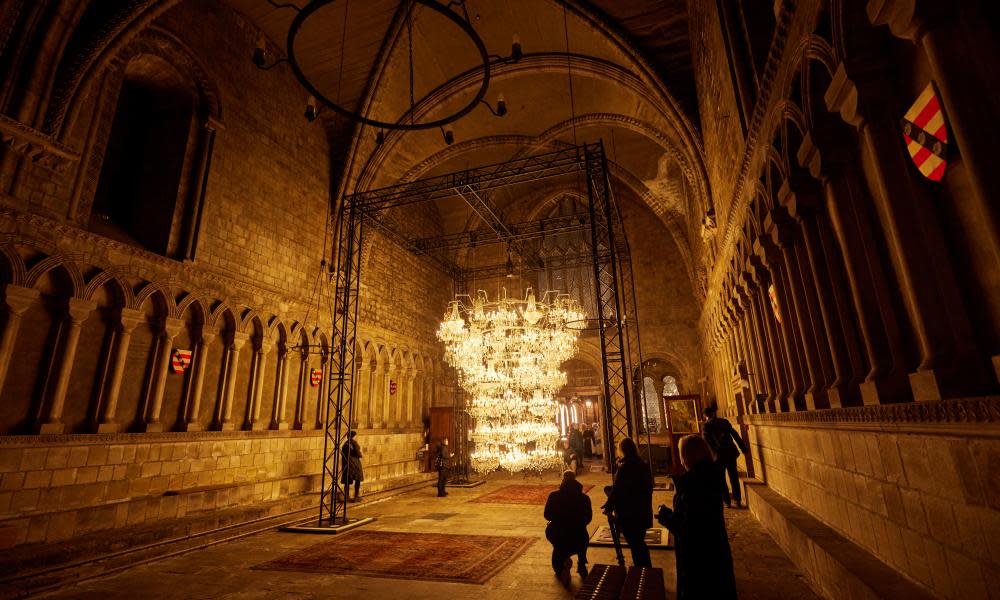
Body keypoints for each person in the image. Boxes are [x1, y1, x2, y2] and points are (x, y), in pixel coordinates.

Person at [656, 434, 737, 600]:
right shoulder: (709, 477)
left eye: (681, 454)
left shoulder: (694, 485)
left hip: (699, 560)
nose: (680, 458)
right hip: (715, 554)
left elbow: (690, 528)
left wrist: (666, 517)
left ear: (688, 456)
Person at [603, 437, 653, 567]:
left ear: (622, 450)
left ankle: (643, 572)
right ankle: (645, 571)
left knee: (636, 545)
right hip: (643, 510)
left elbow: (618, 490)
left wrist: (609, 506)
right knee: (639, 543)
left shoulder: (624, 468)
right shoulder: (643, 465)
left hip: (629, 514)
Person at [544, 470, 593, 586]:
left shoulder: (554, 496)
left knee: (559, 546)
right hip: (578, 536)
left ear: (563, 480)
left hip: (557, 534)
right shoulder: (584, 498)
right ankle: (581, 563)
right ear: (575, 479)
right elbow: (589, 518)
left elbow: (547, 515)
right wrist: (578, 523)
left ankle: (562, 565)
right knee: (583, 536)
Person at [702, 405, 749, 508]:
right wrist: (743, 448)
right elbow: (735, 434)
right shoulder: (724, 421)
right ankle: (737, 500)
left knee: (721, 479)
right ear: (713, 413)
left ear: (705, 416)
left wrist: (711, 456)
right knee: (734, 477)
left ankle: (727, 501)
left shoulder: (706, 426)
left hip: (718, 456)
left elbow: (707, 443)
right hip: (730, 453)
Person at [340, 431, 364, 502]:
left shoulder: (345, 444)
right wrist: (361, 454)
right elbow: (358, 454)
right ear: (353, 436)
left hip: (346, 465)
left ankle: (346, 496)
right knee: (358, 479)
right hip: (355, 464)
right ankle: (356, 496)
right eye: (356, 436)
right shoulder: (354, 443)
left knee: (347, 481)